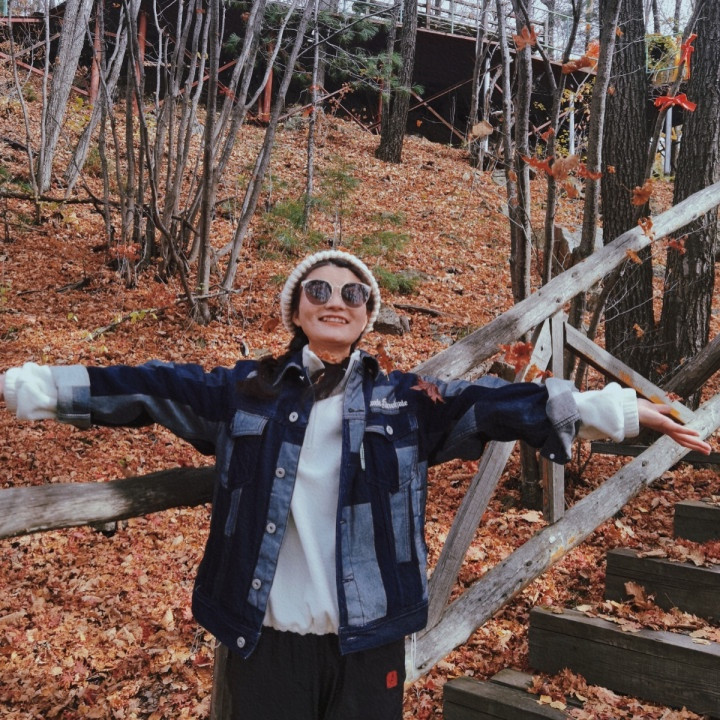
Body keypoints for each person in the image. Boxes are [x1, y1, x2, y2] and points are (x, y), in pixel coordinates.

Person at [0, 250, 711, 720]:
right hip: (264, 637)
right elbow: (148, 386)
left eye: (352, 293)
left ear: (369, 314)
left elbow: (503, 405)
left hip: (368, 641)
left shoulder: (409, 402)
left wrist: (618, 410)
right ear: (296, 309)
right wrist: (37, 388)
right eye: (318, 290)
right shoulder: (242, 393)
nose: (334, 301)